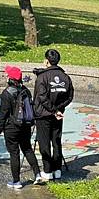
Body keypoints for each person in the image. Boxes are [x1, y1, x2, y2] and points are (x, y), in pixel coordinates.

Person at [0, 66, 44, 189]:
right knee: (27, 149)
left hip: (11, 127)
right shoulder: (26, 91)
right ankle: (37, 174)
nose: (6, 76)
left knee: (14, 153)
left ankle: (16, 181)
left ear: (10, 79)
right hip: (25, 126)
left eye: (7, 75)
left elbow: (3, 113)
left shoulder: (6, 93)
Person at [33, 49, 74, 181]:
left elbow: (42, 97)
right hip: (58, 114)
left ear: (46, 61)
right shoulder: (65, 77)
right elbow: (70, 96)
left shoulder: (42, 77)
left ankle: (48, 170)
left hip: (44, 115)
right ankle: (57, 169)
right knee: (56, 141)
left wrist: (54, 110)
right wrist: (59, 109)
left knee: (44, 143)